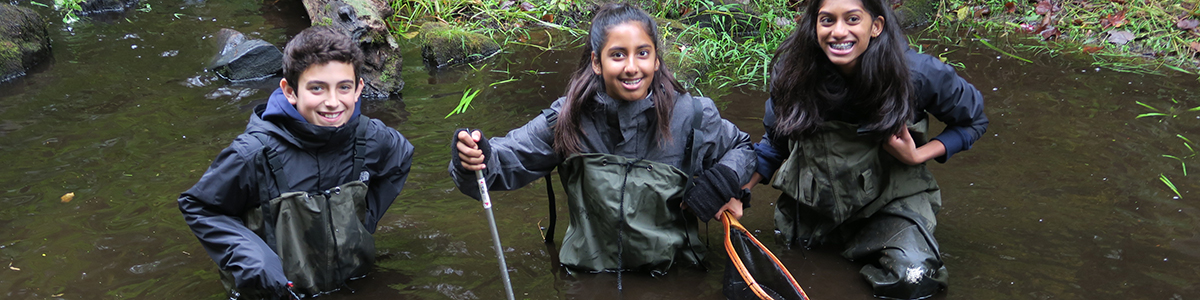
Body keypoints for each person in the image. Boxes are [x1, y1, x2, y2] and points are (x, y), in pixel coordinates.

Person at [449, 4, 755, 276]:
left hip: (676, 275)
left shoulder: (693, 115)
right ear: (597, 62)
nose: (632, 67)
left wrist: (722, 181)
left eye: (643, 53)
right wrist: (475, 159)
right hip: (588, 277)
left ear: (657, 60)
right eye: (618, 55)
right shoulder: (567, 119)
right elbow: (503, 163)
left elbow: (743, 148)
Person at [744, 0, 988, 298]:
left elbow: (973, 122)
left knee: (915, 279)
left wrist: (918, 155)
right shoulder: (793, 75)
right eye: (827, 20)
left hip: (890, 205)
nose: (838, 31)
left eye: (852, 19)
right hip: (812, 212)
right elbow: (775, 143)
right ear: (814, 26)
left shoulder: (917, 74)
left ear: (876, 26)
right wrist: (739, 192)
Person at [178, 26, 414, 299]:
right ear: (290, 91)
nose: (333, 102)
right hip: (275, 294)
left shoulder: (371, 137)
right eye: (317, 88)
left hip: (355, 284)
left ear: (359, 88)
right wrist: (252, 258)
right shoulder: (252, 153)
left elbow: (401, 158)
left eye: (344, 87)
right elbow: (200, 207)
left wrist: (364, 221)